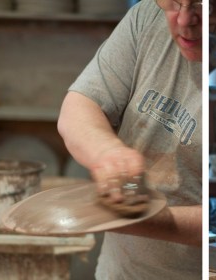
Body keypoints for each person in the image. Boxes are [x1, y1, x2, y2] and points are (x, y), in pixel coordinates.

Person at [56, 0, 202, 278]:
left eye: (199, 5)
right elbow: (79, 106)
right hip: (119, 270)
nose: (184, 20)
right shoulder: (146, 17)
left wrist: (140, 217)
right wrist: (107, 152)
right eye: (173, 2)